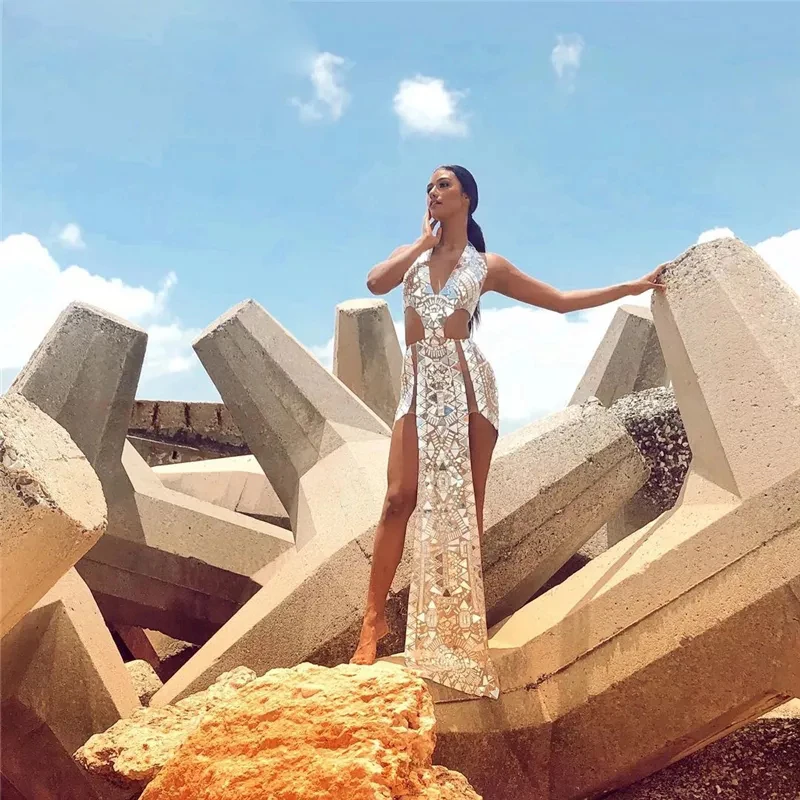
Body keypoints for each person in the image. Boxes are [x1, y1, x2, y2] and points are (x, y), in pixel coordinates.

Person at [350, 164, 665, 699]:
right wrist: (417, 243)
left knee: (464, 514)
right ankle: (372, 622)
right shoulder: (412, 258)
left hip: (469, 386)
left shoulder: (486, 266)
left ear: (468, 198)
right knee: (398, 499)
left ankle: (456, 631)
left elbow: (561, 300)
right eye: (428, 186)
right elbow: (374, 283)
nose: (433, 191)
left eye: (443, 184)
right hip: (418, 382)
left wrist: (631, 285)